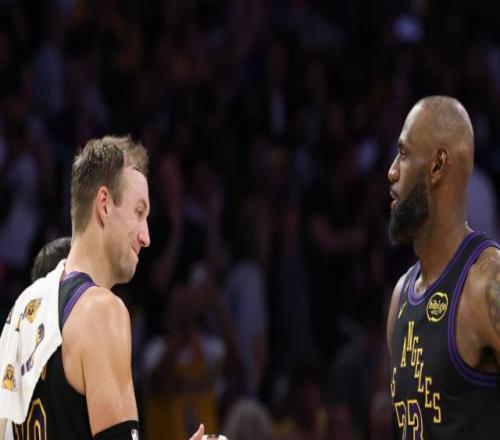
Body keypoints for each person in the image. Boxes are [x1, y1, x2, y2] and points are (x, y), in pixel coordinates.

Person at [0, 136, 205, 440]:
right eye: (139, 212)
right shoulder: (102, 311)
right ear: (105, 204)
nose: (146, 236)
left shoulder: (20, 312)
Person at [386, 96, 500, 438]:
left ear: (437, 165)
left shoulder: (486, 283)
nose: (392, 171)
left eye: (403, 154)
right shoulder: (401, 297)